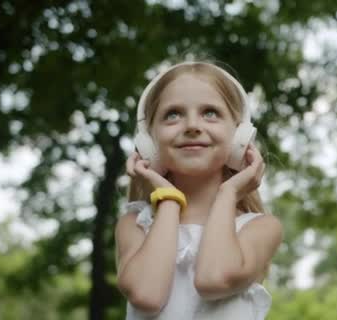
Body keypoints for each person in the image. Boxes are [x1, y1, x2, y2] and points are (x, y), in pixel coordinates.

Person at [115, 60, 283, 320]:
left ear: (240, 136)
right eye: (173, 114)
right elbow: (147, 296)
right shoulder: (135, 225)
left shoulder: (260, 228)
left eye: (210, 112)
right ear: (148, 140)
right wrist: (169, 201)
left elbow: (214, 279)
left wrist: (228, 195)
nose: (192, 125)